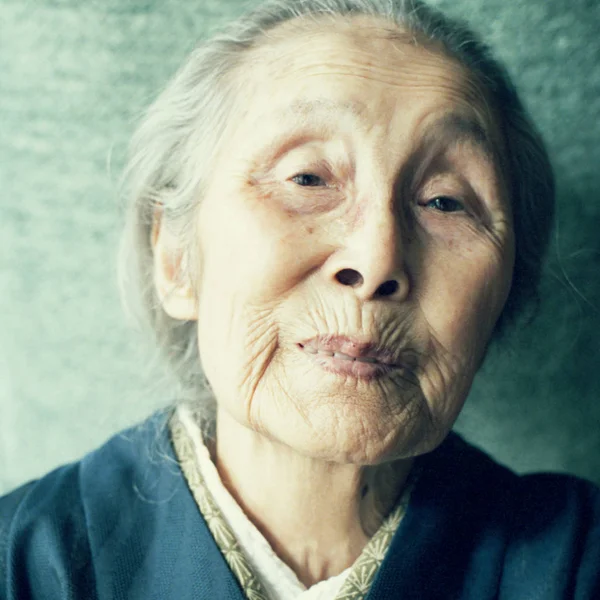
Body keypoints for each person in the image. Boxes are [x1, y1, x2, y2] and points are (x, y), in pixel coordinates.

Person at [1, 0, 599, 598]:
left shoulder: (576, 562)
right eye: (308, 179)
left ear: (499, 300)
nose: (375, 262)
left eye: (445, 201)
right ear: (177, 258)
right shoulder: (20, 564)